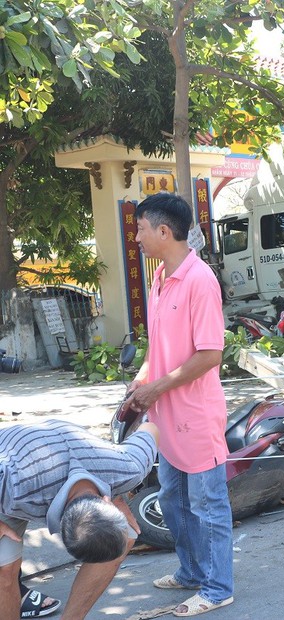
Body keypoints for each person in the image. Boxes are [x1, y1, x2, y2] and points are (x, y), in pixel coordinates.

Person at [124, 193, 234, 617]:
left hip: (196, 416)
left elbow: (209, 355)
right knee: (172, 499)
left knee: (208, 506)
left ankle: (218, 586)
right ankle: (191, 571)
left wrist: (156, 389)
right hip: (165, 416)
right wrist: (142, 381)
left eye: (141, 229)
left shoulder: (199, 280)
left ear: (164, 232)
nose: (137, 238)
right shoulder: (158, 279)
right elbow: (159, 348)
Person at [0, 419, 160, 620]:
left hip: (79, 455)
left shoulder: (131, 467)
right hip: (17, 455)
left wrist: (118, 490)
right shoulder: (14, 485)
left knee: (125, 534)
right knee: (4, 569)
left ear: (106, 501)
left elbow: (150, 427)